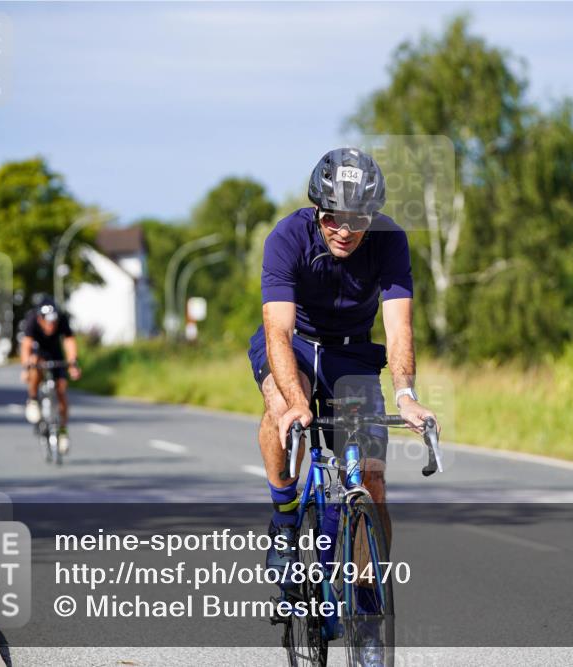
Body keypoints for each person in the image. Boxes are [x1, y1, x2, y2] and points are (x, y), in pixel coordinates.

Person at [247, 148, 438, 664]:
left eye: (358, 219)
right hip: (296, 344)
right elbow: (278, 330)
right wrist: (292, 402)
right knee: (279, 414)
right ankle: (286, 517)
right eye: (334, 218)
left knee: (370, 479)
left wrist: (405, 394)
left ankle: (368, 612)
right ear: (318, 211)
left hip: (352, 354)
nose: (345, 230)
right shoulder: (287, 238)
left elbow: (399, 326)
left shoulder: (390, 241)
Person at [20, 296, 80, 454]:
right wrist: (26, 366)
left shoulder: (62, 319)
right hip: (37, 352)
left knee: (61, 391)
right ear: (40, 318)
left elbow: (69, 340)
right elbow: (26, 345)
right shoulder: (32, 320)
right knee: (35, 366)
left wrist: (73, 363)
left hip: (55, 352)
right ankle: (33, 400)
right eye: (48, 322)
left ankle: (63, 432)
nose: (51, 325)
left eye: (53, 322)